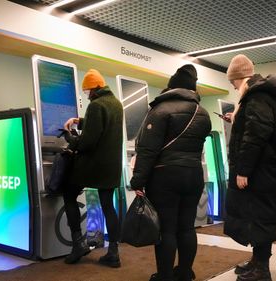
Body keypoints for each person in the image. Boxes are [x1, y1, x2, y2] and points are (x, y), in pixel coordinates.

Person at [130, 64, 211, 281]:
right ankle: (185, 272)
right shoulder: (201, 112)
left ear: (171, 87)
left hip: (165, 177)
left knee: (166, 229)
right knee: (186, 227)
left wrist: (137, 181)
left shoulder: (160, 110)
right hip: (194, 175)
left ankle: (164, 276)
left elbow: (147, 150)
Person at [224, 54, 276, 281]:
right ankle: (257, 262)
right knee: (256, 216)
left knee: (260, 218)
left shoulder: (256, 96)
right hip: (263, 169)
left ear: (239, 77)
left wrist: (243, 170)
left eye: (232, 81)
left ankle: (262, 269)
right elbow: (255, 129)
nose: (232, 86)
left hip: (258, 171)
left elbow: (256, 136)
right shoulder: (260, 96)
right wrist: (237, 118)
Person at [62, 69, 124, 266]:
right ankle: (113, 251)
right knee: (108, 206)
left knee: (69, 194)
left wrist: (71, 139)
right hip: (111, 166)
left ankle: (78, 244)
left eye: (87, 91)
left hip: (93, 166)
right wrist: (79, 121)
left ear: (94, 89)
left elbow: (88, 142)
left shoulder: (96, 105)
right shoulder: (116, 104)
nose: (87, 95)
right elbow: (102, 125)